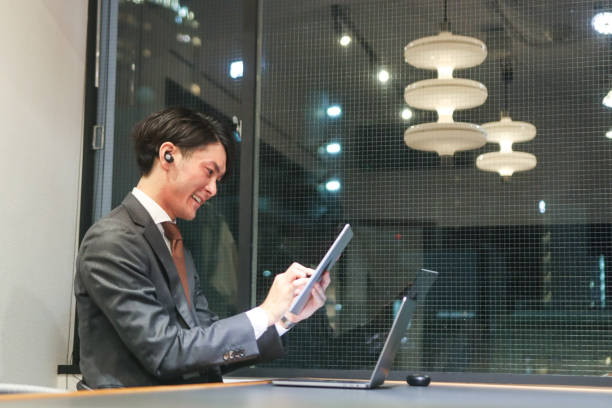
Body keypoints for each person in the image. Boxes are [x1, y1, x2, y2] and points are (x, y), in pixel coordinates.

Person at [74, 107, 330, 388]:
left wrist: (285, 317)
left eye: (218, 180)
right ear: (168, 154)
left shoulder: (171, 241)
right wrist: (265, 312)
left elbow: (204, 342)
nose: (213, 189)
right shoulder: (111, 241)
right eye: (209, 172)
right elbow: (166, 352)